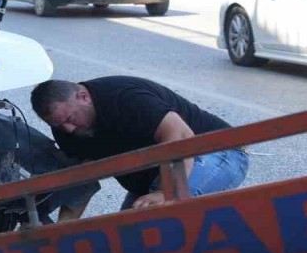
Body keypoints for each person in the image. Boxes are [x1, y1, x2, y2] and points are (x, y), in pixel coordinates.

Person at [31, 77, 248, 214]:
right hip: (155, 179)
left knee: (156, 216)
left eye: (69, 118)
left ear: (84, 97)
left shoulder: (125, 97)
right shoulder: (66, 131)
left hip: (214, 153)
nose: (68, 129)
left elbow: (181, 136)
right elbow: (81, 181)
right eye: (59, 125)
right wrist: (60, 233)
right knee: (128, 239)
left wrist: (166, 192)